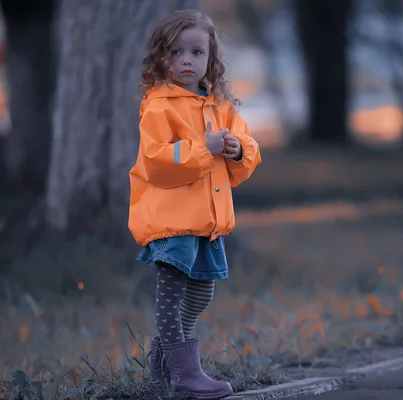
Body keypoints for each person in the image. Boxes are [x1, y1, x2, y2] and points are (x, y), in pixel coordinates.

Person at [128, 9, 262, 399]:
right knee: (171, 294)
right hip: (173, 220)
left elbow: (245, 153)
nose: (186, 60)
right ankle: (185, 373)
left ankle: (163, 367)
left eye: (196, 52)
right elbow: (155, 161)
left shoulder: (220, 106)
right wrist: (205, 148)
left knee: (202, 291)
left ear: (210, 59)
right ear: (160, 58)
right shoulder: (159, 105)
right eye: (176, 52)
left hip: (207, 219)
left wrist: (238, 151)